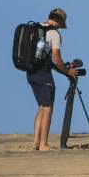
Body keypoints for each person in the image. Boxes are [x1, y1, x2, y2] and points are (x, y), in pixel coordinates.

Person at [27, 8, 77, 150]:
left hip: (30, 73)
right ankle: (43, 144)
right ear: (60, 21)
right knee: (48, 108)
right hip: (43, 74)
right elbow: (56, 58)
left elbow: (50, 61)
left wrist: (65, 72)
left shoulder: (36, 28)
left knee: (42, 107)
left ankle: (36, 142)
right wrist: (68, 71)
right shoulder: (54, 34)